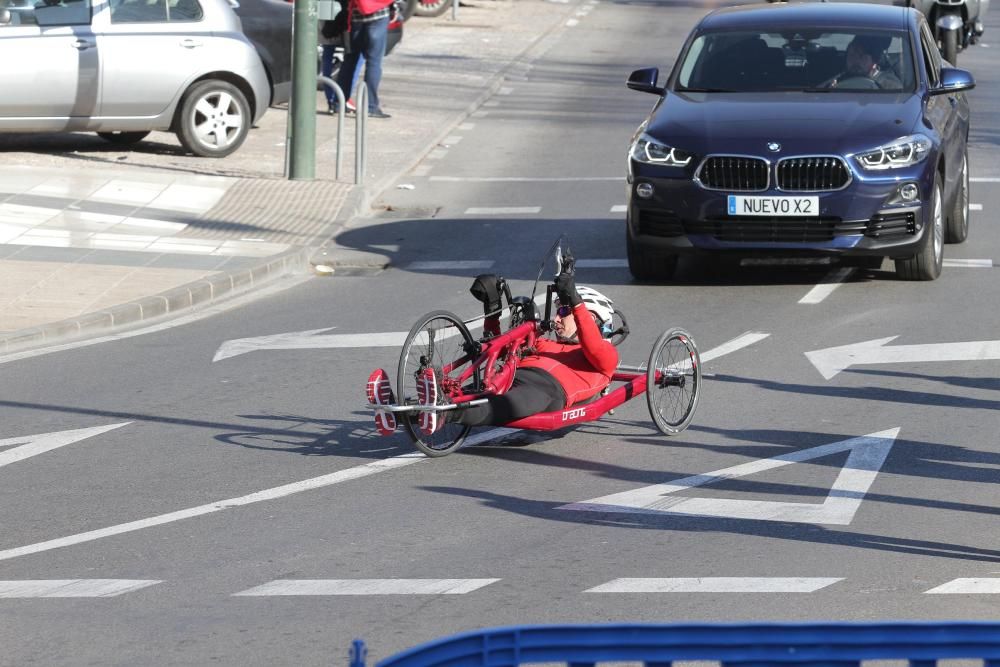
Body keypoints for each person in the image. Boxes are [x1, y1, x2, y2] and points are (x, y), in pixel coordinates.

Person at [365, 270, 620, 436]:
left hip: (548, 391)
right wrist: (493, 308)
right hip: (512, 377)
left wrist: (574, 301)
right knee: (472, 391)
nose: (557, 317)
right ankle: (395, 409)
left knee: (500, 404)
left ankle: (444, 412)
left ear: (592, 317)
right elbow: (498, 349)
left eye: (564, 312)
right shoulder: (545, 344)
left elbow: (594, 346)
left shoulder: (605, 357)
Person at [332, 0, 395, 119]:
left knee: (350, 60)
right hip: (378, 13)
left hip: (357, 15)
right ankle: (370, 107)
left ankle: (338, 103)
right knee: (374, 62)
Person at [828, 35, 902, 90]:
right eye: (852, 55)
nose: (856, 60)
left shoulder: (888, 82)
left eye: (862, 56)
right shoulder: (836, 81)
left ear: (874, 61)